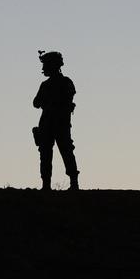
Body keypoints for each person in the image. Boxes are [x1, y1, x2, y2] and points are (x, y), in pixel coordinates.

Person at [32, 50, 80, 191]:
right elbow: (36, 103)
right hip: (53, 123)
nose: (43, 68)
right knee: (53, 153)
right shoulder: (59, 83)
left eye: (45, 65)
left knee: (61, 152)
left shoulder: (59, 83)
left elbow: (37, 103)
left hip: (57, 123)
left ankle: (68, 184)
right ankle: (51, 185)